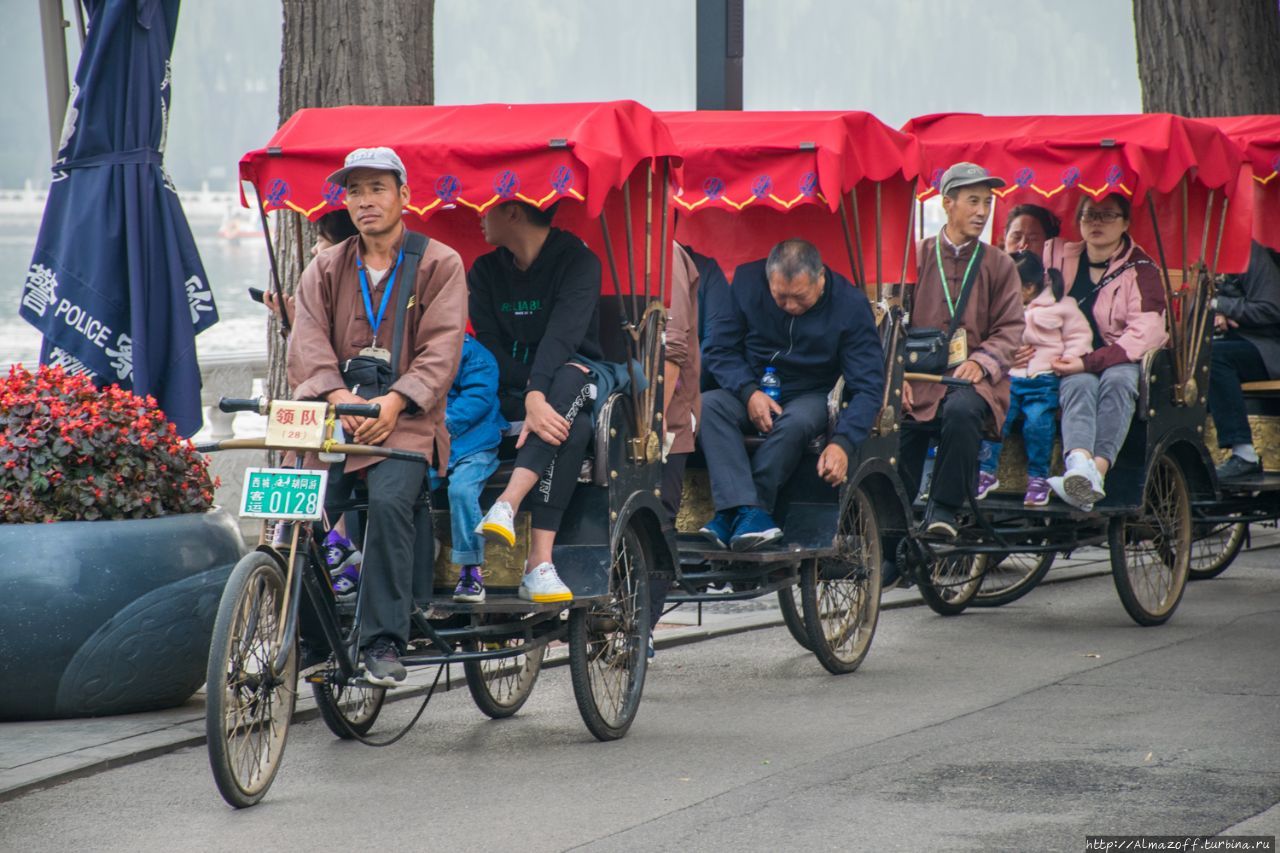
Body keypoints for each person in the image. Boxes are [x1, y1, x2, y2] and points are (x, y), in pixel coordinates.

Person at [290, 147, 467, 686]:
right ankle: (311, 636)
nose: (364, 201)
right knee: (295, 510)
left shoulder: (439, 262)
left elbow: (442, 348)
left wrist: (395, 401)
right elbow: (308, 340)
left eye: (376, 189)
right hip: (335, 412)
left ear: (404, 196)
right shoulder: (326, 266)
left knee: (390, 502)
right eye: (355, 191)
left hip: (406, 417)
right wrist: (340, 399)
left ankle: (383, 640)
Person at [698, 238, 884, 550]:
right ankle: (747, 513)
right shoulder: (746, 282)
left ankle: (743, 511)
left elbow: (868, 385)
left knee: (795, 424)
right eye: (780, 297)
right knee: (708, 406)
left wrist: (843, 443)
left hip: (811, 392)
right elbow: (718, 349)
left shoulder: (850, 305)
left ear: (820, 278)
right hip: (752, 386)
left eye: (799, 298)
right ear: (768, 280)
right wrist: (749, 392)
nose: (790, 306)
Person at [468, 200, 602, 603]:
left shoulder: (578, 262)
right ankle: (538, 565)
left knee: (569, 377)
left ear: (513, 212)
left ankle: (508, 504)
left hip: (576, 378)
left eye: (485, 207)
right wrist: (531, 396)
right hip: (512, 390)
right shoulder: (486, 271)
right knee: (570, 427)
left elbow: (562, 340)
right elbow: (489, 346)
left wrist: (536, 396)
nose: (478, 215)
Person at [900, 162, 1025, 539]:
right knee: (898, 426)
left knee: (960, 411)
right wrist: (895, 378)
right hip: (918, 378)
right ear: (947, 204)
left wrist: (981, 361)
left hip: (974, 382)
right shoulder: (916, 257)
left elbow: (1010, 327)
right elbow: (890, 323)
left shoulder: (999, 263)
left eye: (987, 202)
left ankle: (944, 511)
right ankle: (892, 529)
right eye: (973, 201)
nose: (983, 212)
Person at [1043, 193, 1168, 510]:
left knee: (1118, 382)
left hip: (1122, 357)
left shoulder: (1142, 268)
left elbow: (1147, 332)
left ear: (1126, 223)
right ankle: (1079, 467)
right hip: (1069, 357)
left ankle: (1096, 472)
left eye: (1108, 215)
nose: (1096, 222)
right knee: (1078, 384)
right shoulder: (1058, 256)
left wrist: (1089, 361)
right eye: (1089, 215)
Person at [976, 251, 1092, 506]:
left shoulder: (1062, 306)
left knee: (1037, 424)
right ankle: (985, 470)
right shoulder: (1002, 307)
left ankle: (1038, 478)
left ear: (1028, 287)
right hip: (1010, 379)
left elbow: (1079, 337)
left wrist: (1070, 358)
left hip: (1043, 378)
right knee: (997, 419)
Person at [430, 332, 509, 602]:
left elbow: (478, 398)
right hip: (430, 443)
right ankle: (423, 548)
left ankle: (470, 568)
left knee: (462, 490)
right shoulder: (419, 346)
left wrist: (442, 425)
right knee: (408, 487)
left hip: (475, 443)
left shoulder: (476, 354)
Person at [1208, 241, 1280, 479]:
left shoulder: (1251, 255)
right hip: (1223, 342)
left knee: (1213, 357)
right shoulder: (1194, 254)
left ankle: (1244, 452)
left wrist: (1222, 306)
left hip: (1264, 348)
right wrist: (1214, 316)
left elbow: (1270, 308)